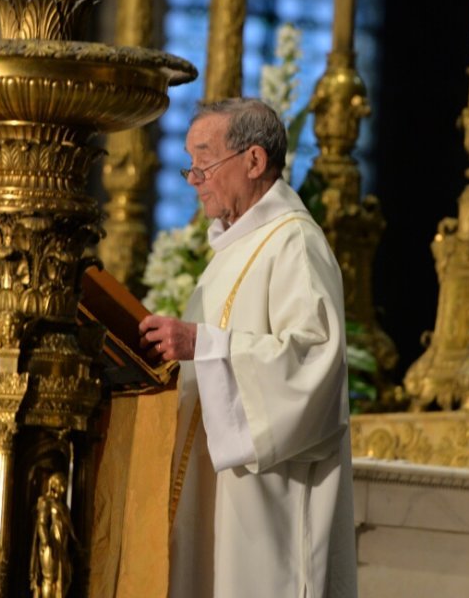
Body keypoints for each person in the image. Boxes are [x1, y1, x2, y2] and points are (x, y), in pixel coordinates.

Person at [138, 98, 357, 598]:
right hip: (223, 500)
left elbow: (313, 364)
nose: (194, 179)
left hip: (271, 512)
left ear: (254, 161)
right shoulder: (231, 253)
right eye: (190, 165)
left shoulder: (294, 243)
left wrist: (201, 344)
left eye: (205, 162)